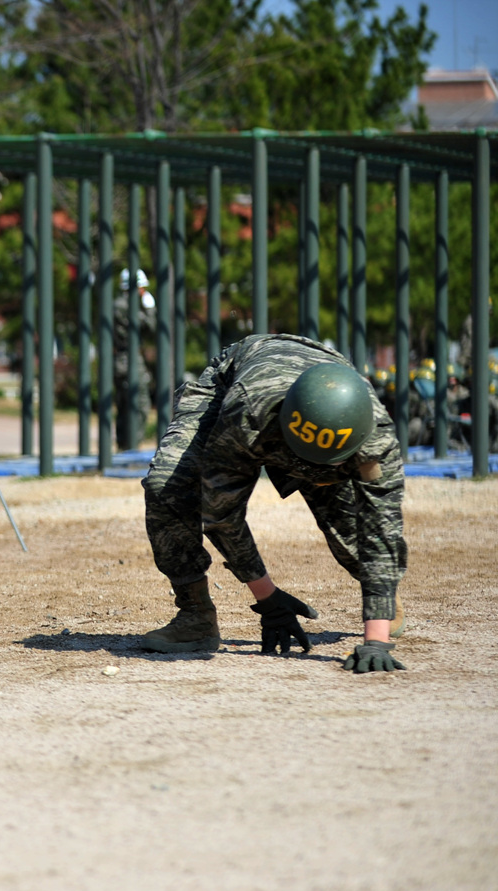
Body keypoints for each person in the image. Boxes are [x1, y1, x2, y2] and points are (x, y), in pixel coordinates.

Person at [139, 334, 406, 674]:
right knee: (168, 486)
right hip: (241, 389)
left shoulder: (374, 433)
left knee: (351, 530)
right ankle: (195, 614)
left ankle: (382, 599)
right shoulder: (245, 412)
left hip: (319, 414)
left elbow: (381, 527)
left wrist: (376, 639)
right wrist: (268, 599)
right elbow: (221, 514)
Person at [114, 268, 156, 450]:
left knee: (124, 406)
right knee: (140, 404)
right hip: (128, 359)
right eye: (142, 288)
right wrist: (149, 309)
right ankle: (132, 445)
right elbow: (151, 327)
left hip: (120, 359)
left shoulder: (118, 305)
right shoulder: (126, 307)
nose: (143, 292)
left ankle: (124, 445)